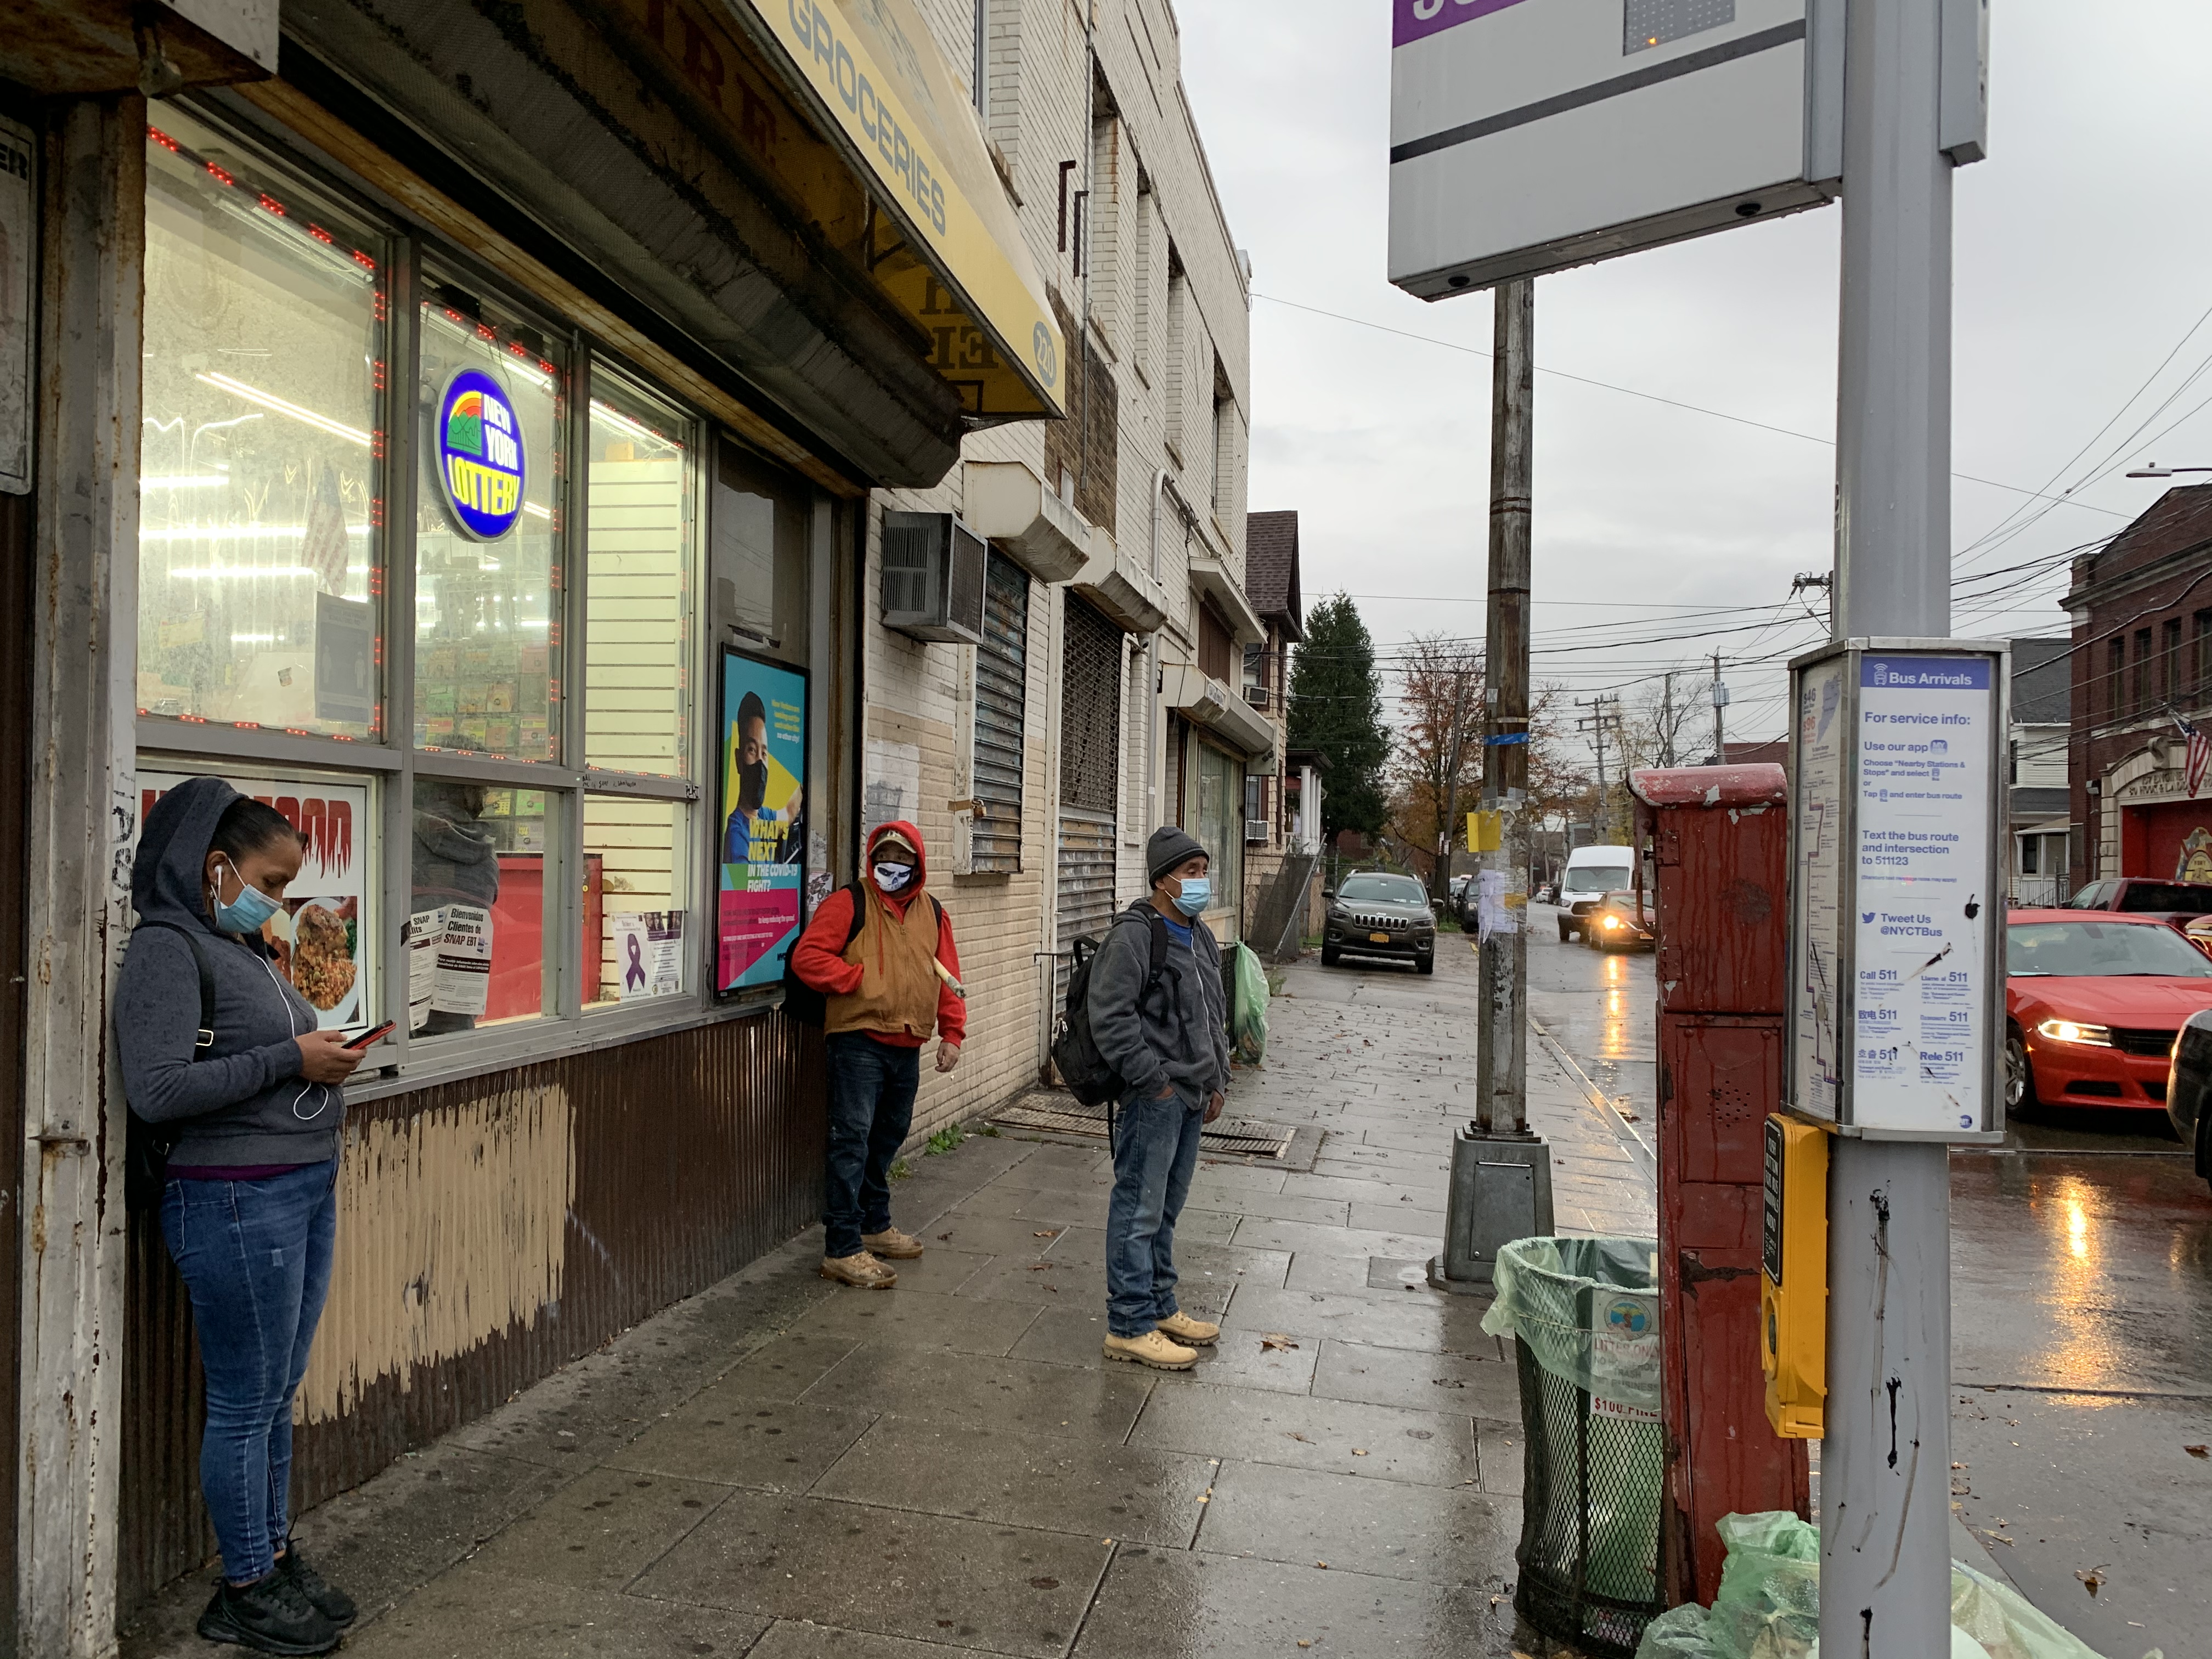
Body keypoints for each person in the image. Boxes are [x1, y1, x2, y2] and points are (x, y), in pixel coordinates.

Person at [116, 776, 366, 1655]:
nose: (282, 902)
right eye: (273, 880)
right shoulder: (167, 948)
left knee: (275, 1394)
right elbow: (156, 1090)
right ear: (217, 868)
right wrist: (293, 1058)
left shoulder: (248, 949)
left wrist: (318, 1055)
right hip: (230, 1197)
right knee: (246, 1399)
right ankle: (246, 1585)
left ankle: (275, 1550)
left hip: (296, 1186)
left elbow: (259, 1054)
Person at [790, 821, 964, 1288]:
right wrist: (855, 979)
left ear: (918, 863)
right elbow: (808, 957)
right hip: (859, 1041)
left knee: (887, 1137)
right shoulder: (850, 902)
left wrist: (953, 1034)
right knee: (851, 1141)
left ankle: (874, 1223)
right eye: (884, 855)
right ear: (873, 858)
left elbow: (948, 976)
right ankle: (843, 1247)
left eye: (903, 858)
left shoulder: (933, 911)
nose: (894, 865)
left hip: (907, 1043)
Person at [1085, 826, 1232, 1370]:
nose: (1200, 882)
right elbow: (1110, 1016)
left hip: (1193, 1095)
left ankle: (1161, 1305)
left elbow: (1213, 1011)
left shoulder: (1201, 934)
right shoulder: (1135, 935)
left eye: (1203, 870)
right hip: (1156, 1097)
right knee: (1138, 1210)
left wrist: (1217, 1080)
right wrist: (1155, 1081)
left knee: (1166, 1210)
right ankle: (1128, 1324)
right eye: (1190, 872)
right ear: (1162, 878)